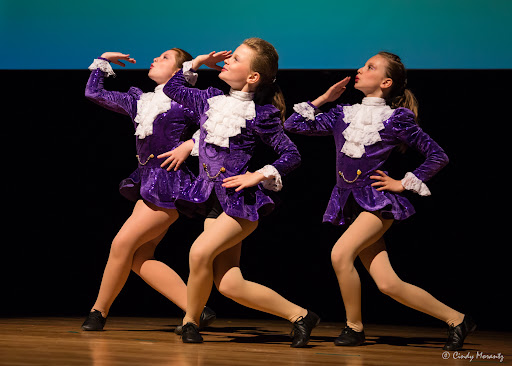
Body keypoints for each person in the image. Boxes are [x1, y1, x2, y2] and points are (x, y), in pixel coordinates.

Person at [284, 51, 475, 351]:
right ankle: (457, 319)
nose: (360, 69)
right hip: (352, 201)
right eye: (362, 64)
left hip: (377, 202)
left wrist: (402, 183)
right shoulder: (341, 114)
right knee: (388, 284)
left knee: (340, 255)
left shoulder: (396, 119)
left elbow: (438, 155)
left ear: (386, 82)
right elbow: (293, 125)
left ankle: (354, 327)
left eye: (370, 67)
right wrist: (324, 97)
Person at [162, 38, 319, 347]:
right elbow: (173, 89)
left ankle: (191, 322)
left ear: (253, 77)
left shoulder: (261, 115)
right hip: (213, 201)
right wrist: (195, 64)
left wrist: (257, 175)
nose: (227, 61)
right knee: (230, 284)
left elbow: (291, 155)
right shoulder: (210, 99)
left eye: (236, 59)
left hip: (240, 205)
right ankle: (301, 315)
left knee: (199, 252)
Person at [82, 49, 215, 331]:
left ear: (180, 71)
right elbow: (94, 93)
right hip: (147, 181)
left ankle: (98, 312)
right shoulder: (140, 101)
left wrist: (189, 145)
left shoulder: (188, 102)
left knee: (121, 245)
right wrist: (103, 61)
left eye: (165, 57)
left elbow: (217, 123)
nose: (155, 59)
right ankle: (197, 308)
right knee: (140, 257)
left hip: (169, 183)